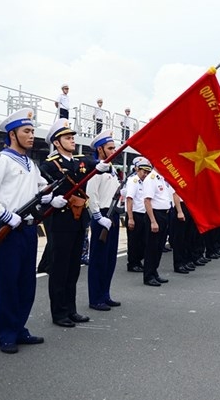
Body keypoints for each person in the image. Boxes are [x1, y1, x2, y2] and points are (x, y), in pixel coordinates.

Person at [0, 108, 48, 354]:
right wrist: (5, 214)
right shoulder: (2, 160)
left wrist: (50, 199)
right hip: (9, 228)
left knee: (27, 283)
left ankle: (19, 328)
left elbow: (42, 187)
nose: (31, 136)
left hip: (27, 229)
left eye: (33, 131)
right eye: (26, 131)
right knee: (8, 283)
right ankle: (6, 333)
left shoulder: (30, 163)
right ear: (12, 134)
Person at [40, 118, 110, 327]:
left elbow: (95, 165)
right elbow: (42, 190)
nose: (72, 140)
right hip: (60, 220)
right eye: (67, 138)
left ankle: (71, 309)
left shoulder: (81, 161)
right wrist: (52, 198)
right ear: (56, 142)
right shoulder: (50, 165)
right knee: (60, 267)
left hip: (79, 220)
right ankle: (59, 313)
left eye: (72, 137)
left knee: (73, 267)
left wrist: (101, 166)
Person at [86, 130, 121, 311]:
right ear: (100, 149)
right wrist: (98, 217)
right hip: (102, 217)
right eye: (110, 148)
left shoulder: (112, 168)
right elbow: (91, 194)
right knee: (98, 259)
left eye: (114, 147)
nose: (114, 151)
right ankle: (95, 298)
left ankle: (105, 294)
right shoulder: (96, 169)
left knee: (110, 259)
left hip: (113, 215)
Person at [142, 169, 174, 286]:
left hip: (164, 214)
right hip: (155, 215)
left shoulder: (161, 178)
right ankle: (148, 276)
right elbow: (147, 201)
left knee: (159, 246)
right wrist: (153, 221)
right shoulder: (151, 179)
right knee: (152, 247)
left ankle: (154, 272)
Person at [125, 158, 152, 273]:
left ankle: (138, 261)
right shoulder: (133, 181)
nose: (145, 174)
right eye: (143, 171)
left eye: (147, 172)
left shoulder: (145, 182)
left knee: (142, 241)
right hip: (135, 214)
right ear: (137, 170)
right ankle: (132, 263)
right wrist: (130, 218)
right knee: (134, 241)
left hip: (143, 214)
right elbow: (129, 199)